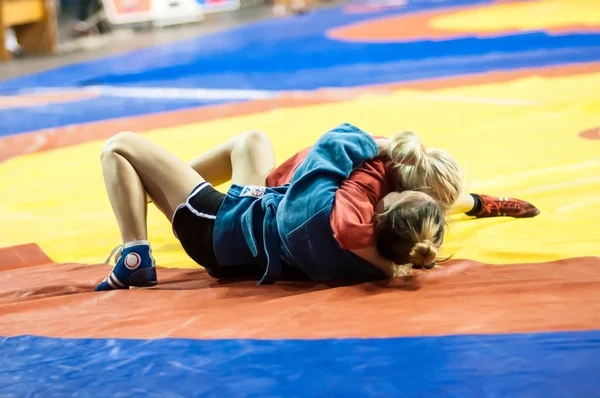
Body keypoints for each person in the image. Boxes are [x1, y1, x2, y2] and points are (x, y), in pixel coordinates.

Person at [95, 123, 470, 291]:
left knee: (118, 145)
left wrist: (384, 145)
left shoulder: (342, 212)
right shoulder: (399, 245)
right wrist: (481, 203)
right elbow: (430, 210)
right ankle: (143, 185)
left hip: (221, 227)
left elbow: (333, 146)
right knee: (251, 141)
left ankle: (134, 255)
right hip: (255, 232)